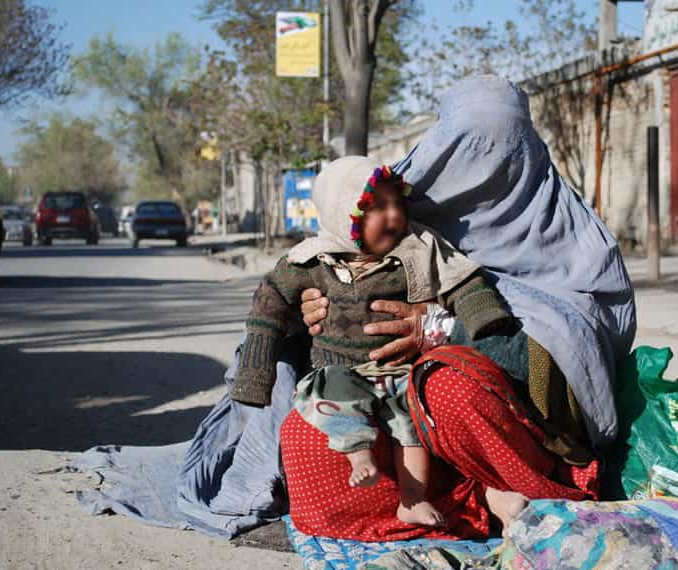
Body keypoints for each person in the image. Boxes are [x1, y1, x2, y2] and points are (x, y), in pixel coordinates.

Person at [277, 76, 636, 541]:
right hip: (394, 419)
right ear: (442, 146)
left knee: (447, 388)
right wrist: (319, 310)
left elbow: (562, 380)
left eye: (503, 148)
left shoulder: (573, 245)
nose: (483, 165)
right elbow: (305, 294)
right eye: (468, 145)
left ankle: (514, 495)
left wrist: (442, 331)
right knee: (307, 442)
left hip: (520, 435)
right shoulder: (402, 214)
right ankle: (480, 505)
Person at [231, 156, 512, 527]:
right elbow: (267, 309)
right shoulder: (310, 259)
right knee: (334, 398)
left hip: (400, 370)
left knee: (411, 427)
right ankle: (359, 457)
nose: (394, 216)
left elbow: (463, 281)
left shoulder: (420, 247)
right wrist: (253, 377)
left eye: (398, 203)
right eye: (376, 207)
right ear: (341, 212)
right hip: (338, 370)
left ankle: (412, 498)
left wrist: (483, 318)